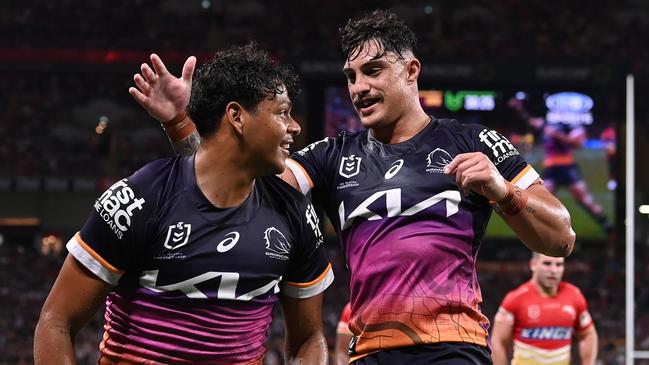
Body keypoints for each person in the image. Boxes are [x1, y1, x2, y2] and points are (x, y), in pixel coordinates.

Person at [130, 10, 575, 364]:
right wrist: (182, 123)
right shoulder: (330, 156)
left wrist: (503, 190)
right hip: (369, 353)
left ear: (411, 71)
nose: (359, 87)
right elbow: (235, 180)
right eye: (351, 76)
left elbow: (561, 237)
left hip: (454, 347)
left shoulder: (474, 141)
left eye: (374, 71)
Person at [34, 43, 334, 365]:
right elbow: (56, 323)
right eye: (282, 112)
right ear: (236, 117)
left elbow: (309, 339)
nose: (295, 127)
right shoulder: (141, 197)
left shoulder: (295, 212)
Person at [508, 97, 613, 235]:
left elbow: (578, 143)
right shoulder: (546, 124)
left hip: (568, 167)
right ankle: (533, 231)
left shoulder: (572, 127)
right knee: (539, 200)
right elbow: (530, 121)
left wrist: (557, 135)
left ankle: (609, 228)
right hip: (551, 168)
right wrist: (519, 107)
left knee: (584, 199)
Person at [490, 253, 598, 365]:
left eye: (559, 265)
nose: (553, 270)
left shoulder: (574, 296)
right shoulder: (515, 299)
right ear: (533, 264)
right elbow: (497, 341)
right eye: (547, 263)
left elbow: (588, 334)